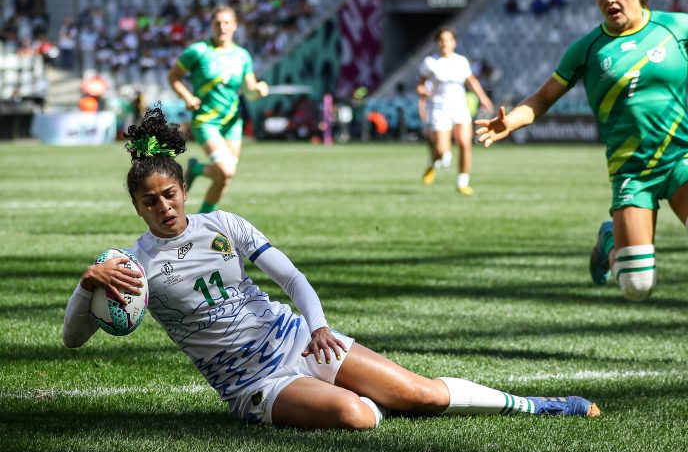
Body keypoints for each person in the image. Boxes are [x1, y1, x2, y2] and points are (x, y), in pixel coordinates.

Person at [62, 108, 601, 429]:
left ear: (183, 189)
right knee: (359, 417)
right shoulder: (130, 266)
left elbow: (292, 279)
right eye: (150, 201)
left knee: (425, 395)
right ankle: (346, 394)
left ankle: (535, 405)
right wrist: (87, 286)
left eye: (170, 193)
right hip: (253, 384)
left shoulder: (223, 222)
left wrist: (317, 326)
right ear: (137, 207)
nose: (164, 207)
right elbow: (73, 340)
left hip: (297, 337)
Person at [475, 0, 688, 302]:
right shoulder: (587, 50)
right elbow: (541, 100)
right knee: (637, 287)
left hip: (682, 159)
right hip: (632, 172)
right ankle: (609, 241)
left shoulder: (676, 28)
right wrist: (509, 122)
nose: (609, 0)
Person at [167, 6, 269, 214]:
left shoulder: (242, 56)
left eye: (227, 23)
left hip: (232, 122)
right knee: (226, 169)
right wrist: (187, 97)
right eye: (217, 23)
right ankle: (196, 171)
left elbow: (248, 91)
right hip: (206, 121)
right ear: (211, 25)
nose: (222, 27)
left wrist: (258, 89)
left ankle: (202, 219)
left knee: (225, 177)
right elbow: (173, 76)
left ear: (235, 26)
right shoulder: (198, 51)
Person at [417, 28, 494, 195]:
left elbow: (471, 81)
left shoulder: (461, 61)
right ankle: (432, 162)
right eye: (441, 40)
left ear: (454, 42)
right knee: (442, 151)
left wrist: (483, 98)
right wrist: (422, 93)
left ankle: (462, 183)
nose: (445, 43)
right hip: (439, 107)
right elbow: (420, 85)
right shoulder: (430, 62)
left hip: (459, 106)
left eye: (448, 39)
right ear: (437, 43)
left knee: (465, 144)